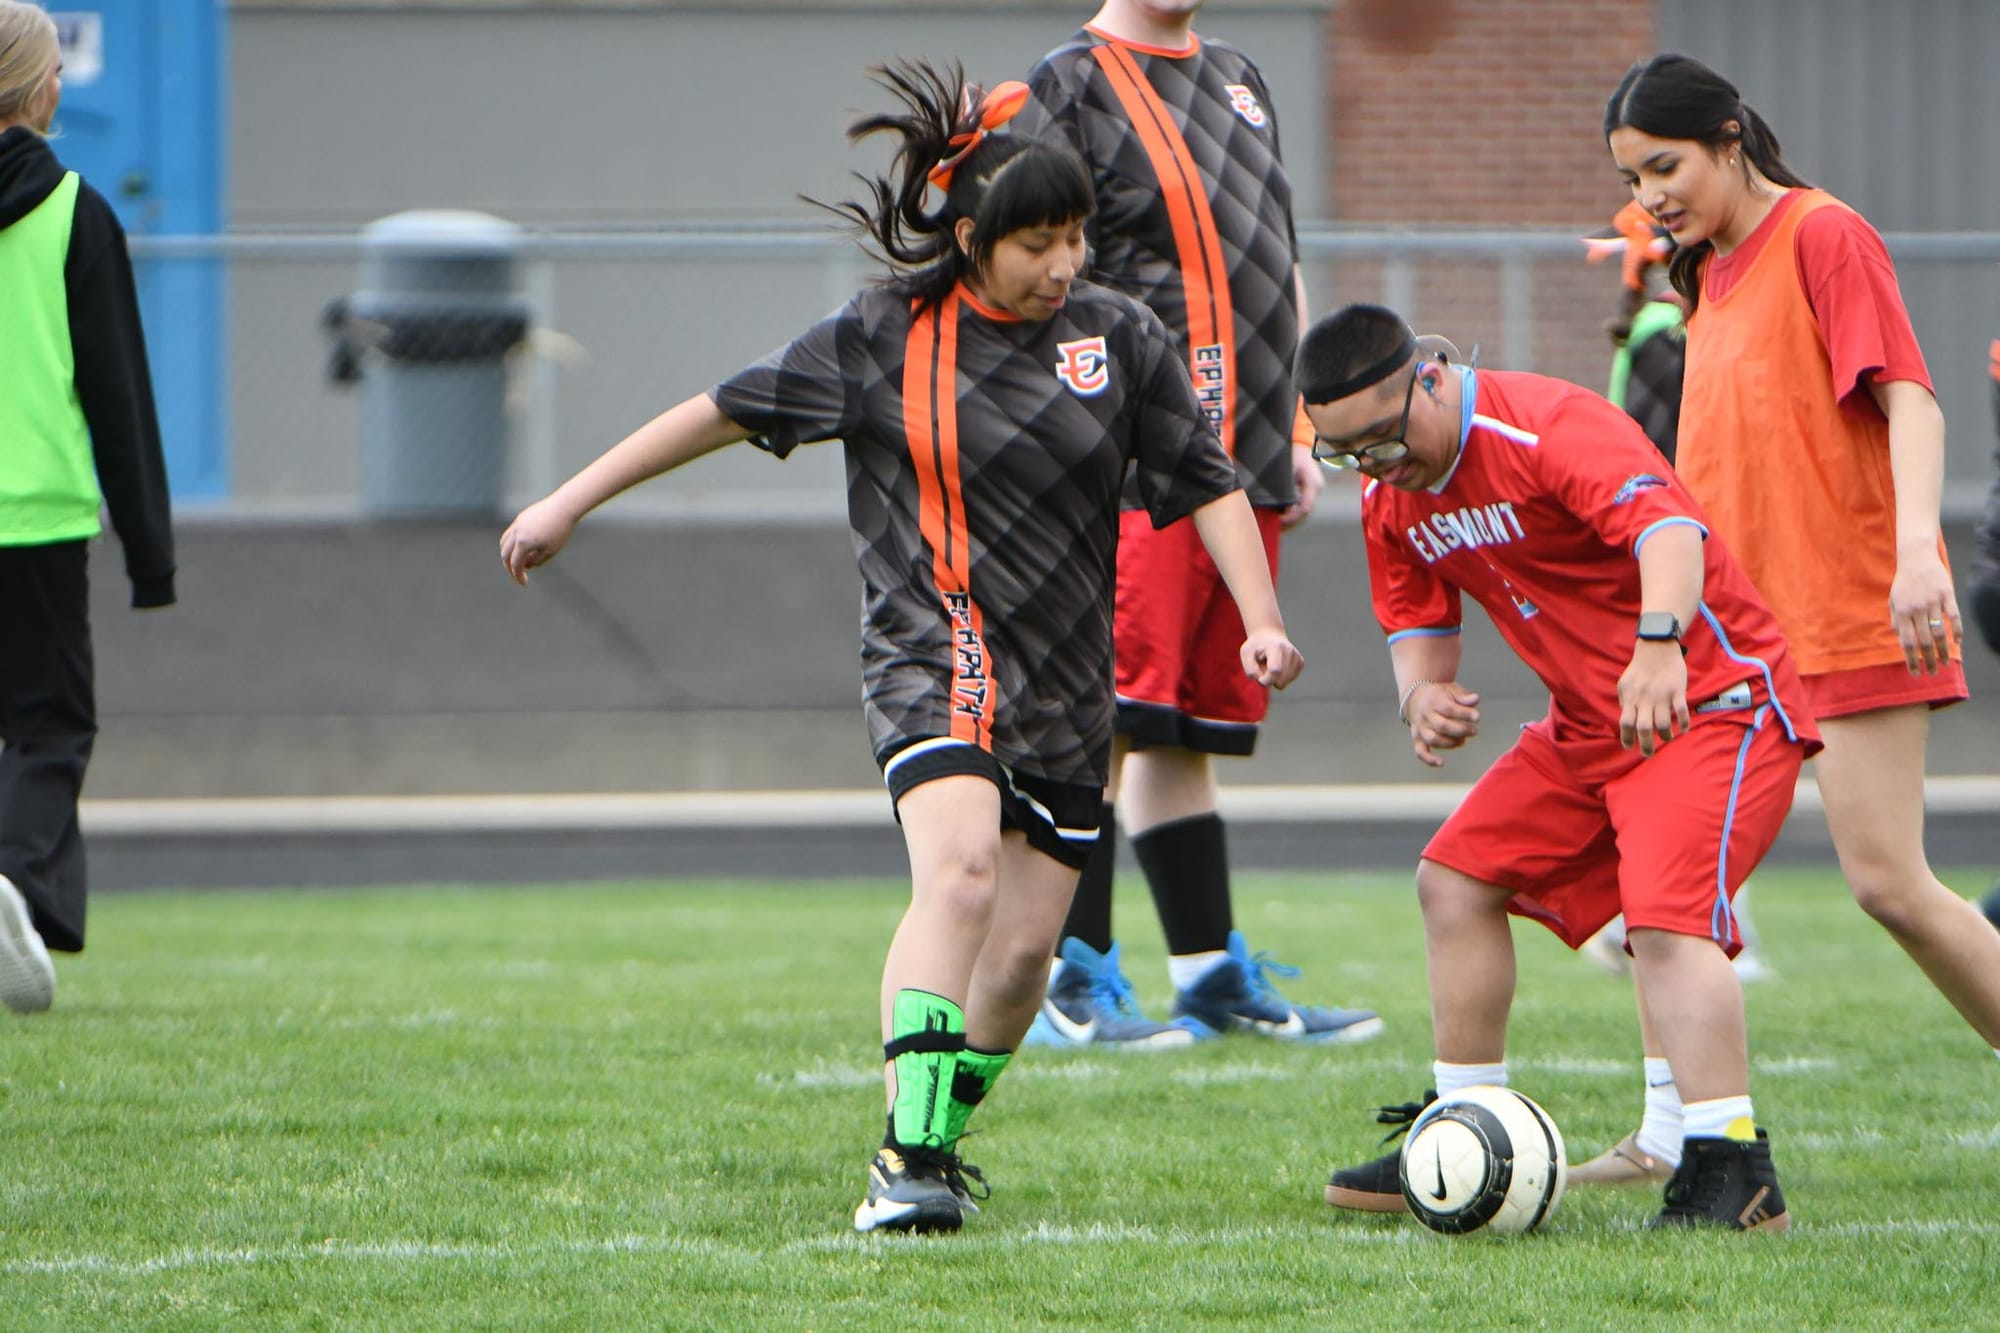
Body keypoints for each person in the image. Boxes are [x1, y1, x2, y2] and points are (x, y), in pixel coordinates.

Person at [498, 59, 1304, 1235]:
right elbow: (719, 412)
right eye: (1038, 242)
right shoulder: (884, 335)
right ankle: (910, 1161)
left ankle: (929, 1130)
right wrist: (568, 501)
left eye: (1076, 237)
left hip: (1067, 685)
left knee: (1026, 961)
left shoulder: (1118, 337)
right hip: (932, 651)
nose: (1063, 265)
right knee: (962, 873)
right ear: (972, 234)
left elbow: (1208, 484)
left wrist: (1263, 619)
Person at [1305, 303, 1818, 1231]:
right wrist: (1422, 698)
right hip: (1593, 723)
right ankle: (1462, 1122)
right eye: (1349, 457)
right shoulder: (1394, 499)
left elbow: (1670, 533)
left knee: (1663, 921)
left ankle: (1732, 1164)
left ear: (1427, 375)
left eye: (1381, 442)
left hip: (1713, 701)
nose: (1378, 469)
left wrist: (1659, 643)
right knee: (1454, 880)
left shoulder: (1543, 423)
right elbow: (1418, 634)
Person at [1600, 56, 2000, 1146]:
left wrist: (1918, 551)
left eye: (1665, 167)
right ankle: (1665, 1140)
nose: (1651, 198)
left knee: (1889, 886)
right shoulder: (1701, 276)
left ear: (1730, 138)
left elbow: (1909, 402)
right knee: (1663, 887)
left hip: (1846, 610)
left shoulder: (1823, 234)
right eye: (1634, 181)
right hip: (1737, 643)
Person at [1010, 0, 1379, 1049]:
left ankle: (1209, 973)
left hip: (1245, 454)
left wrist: (1300, 423)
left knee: (1182, 729)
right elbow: (1034, 272)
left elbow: (1278, 258)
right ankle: (1067, 982)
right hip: (1137, 465)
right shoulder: (1068, 81)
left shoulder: (1238, 73)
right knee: (1104, 714)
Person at [0, 2, 176, 1016]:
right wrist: (150, 555)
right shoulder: (75, 212)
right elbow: (119, 394)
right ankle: (15, 885)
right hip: (34, 516)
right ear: (38, 88)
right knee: (48, 725)